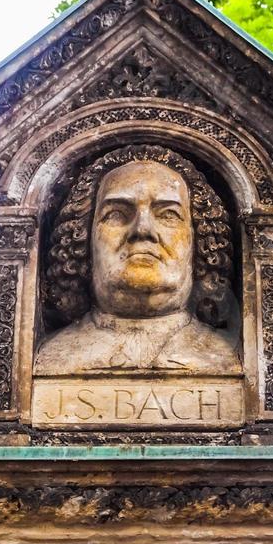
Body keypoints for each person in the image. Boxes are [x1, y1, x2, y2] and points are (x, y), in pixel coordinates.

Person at [35, 144, 240, 374]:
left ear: (200, 239)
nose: (143, 229)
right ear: (82, 240)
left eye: (168, 214)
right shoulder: (51, 358)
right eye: (117, 214)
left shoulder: (228, 357)